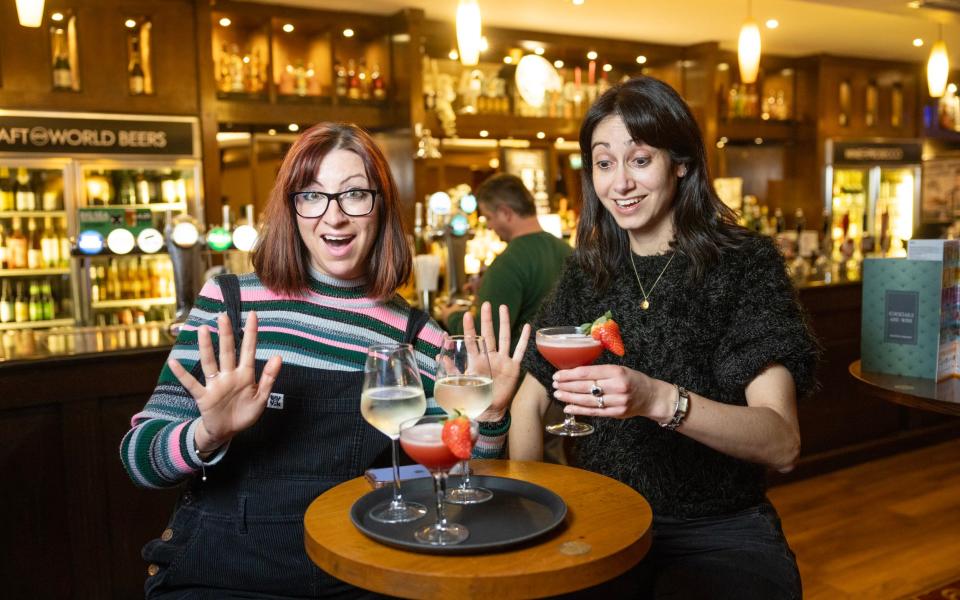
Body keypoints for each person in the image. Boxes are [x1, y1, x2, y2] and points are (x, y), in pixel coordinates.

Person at [121, 122, 528, 599]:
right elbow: (137, 460)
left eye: (354, 194)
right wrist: (207, 433)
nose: (333, 217)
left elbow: (459, 479)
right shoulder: (228, 304)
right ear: (291, 209)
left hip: (354, 575)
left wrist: (493, 417)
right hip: (224, 574)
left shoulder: (417, 335)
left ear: (381, 208)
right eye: (312, 196)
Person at [509, 77, 818, 600]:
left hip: (716, 532)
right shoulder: (588, 271)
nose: (620, 183)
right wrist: (536, 509)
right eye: (604, 163)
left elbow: (782, 443)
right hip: (601, 521)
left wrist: (658, 399)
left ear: (681, 162)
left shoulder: (743, 266)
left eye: (640, 159)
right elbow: (527, 403)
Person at [443, 173, 572, 352]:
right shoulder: (567, 251)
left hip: (521, 373)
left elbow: (484, 339)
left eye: (488, 217)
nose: (489, 226)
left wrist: (452, 316)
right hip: (565, 368)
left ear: (505, 212)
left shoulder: (507, 264)